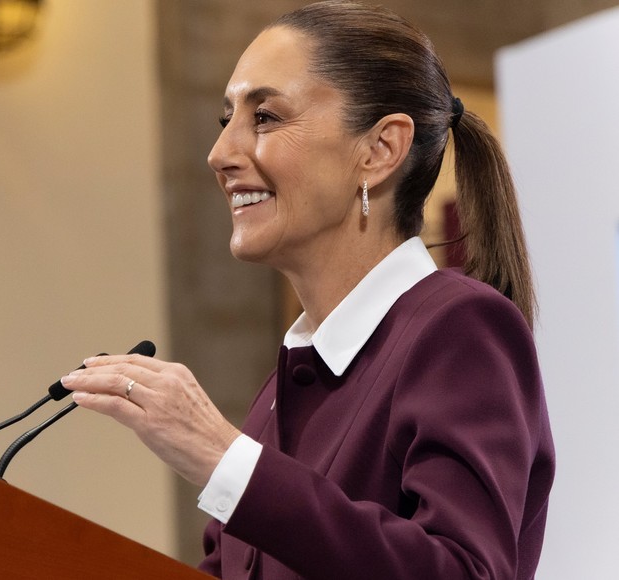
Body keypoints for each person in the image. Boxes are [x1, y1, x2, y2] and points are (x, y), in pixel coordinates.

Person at [60, 1, 555, 578]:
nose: (219, 155)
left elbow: (465, 570)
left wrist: (227, 460)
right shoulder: (281, 391)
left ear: (380, 150)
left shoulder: (458, 328)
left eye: (265, 117)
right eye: (227, 121)